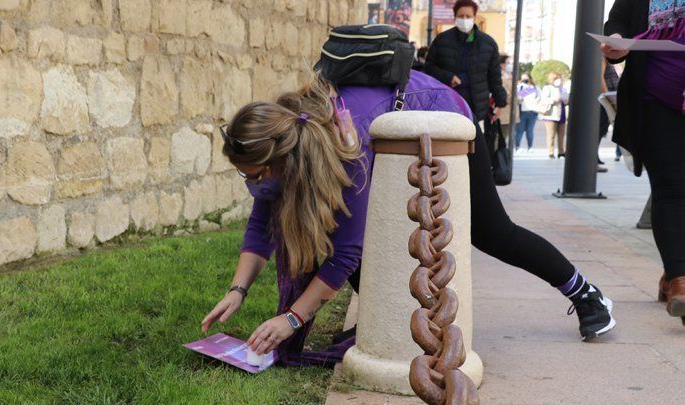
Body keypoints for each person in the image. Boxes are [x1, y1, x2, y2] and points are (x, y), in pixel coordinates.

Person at [201, 71, 616, 364]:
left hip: (441, 118)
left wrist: (292, 318)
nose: (250, 183)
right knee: (364, 239)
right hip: (391, 131)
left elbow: (347, 250)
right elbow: (263, 221)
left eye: (252, 174)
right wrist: (238, 289)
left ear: (281, 159)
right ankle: (389, 320)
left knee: (492, 232)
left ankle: (586, 294)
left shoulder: (347, 152)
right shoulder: (286, 139)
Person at [603, 0, 685, 324]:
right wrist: (616, 45)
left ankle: (671, 275)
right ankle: (680, 279)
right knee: (673, 187)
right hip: (657, 102)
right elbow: (618, 22)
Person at [422, 0, 507, 126]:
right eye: (461, 16)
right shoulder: (441, 40)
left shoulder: (488, 44)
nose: (464, 19)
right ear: (455, 17)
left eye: (468, 16)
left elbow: (494, 77)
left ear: (475, 17)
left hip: (477, 108)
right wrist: (447, 77)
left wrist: (500, 103)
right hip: (447, 105)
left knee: (475, 144)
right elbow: (428, 68)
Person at [539, 71, 568, 159]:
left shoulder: (563, 88)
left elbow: (566, 98)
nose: (558, 80)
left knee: (562, 135)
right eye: (556, 78)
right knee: (551, 135)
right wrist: (554, 100)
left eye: (559, 78)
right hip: (551, 115)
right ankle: (551, 152)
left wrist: (566, 101)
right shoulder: (547, 88)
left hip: (562, 113)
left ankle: (561, 152)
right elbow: (544, 100)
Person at [515, 72, 540, 151]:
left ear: (530, 78)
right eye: (523, 78)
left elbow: (539, 98)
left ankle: (530, 147)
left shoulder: (535, 88)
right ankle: (517, 146)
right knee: (520, 130)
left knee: (530, 130)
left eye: (526, 78)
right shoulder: (519, 87)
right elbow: (517, 99)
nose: (524, 80)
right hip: (522, 112)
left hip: (533, 112)